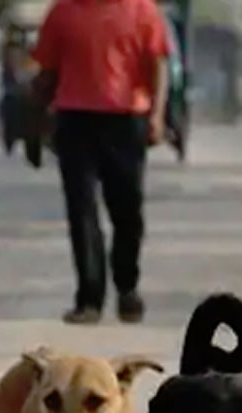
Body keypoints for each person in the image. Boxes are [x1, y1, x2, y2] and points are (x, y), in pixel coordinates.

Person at [32, 0, 170, 324]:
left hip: (126, 118)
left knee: (127, 210)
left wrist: (158, 114)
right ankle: (89, 297)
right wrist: (36, 122)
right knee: (81, 210)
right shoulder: (63, 12)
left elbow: (157, 63)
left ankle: (127, 286)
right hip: (75, 118)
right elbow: (47, 71)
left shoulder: (141, 10)